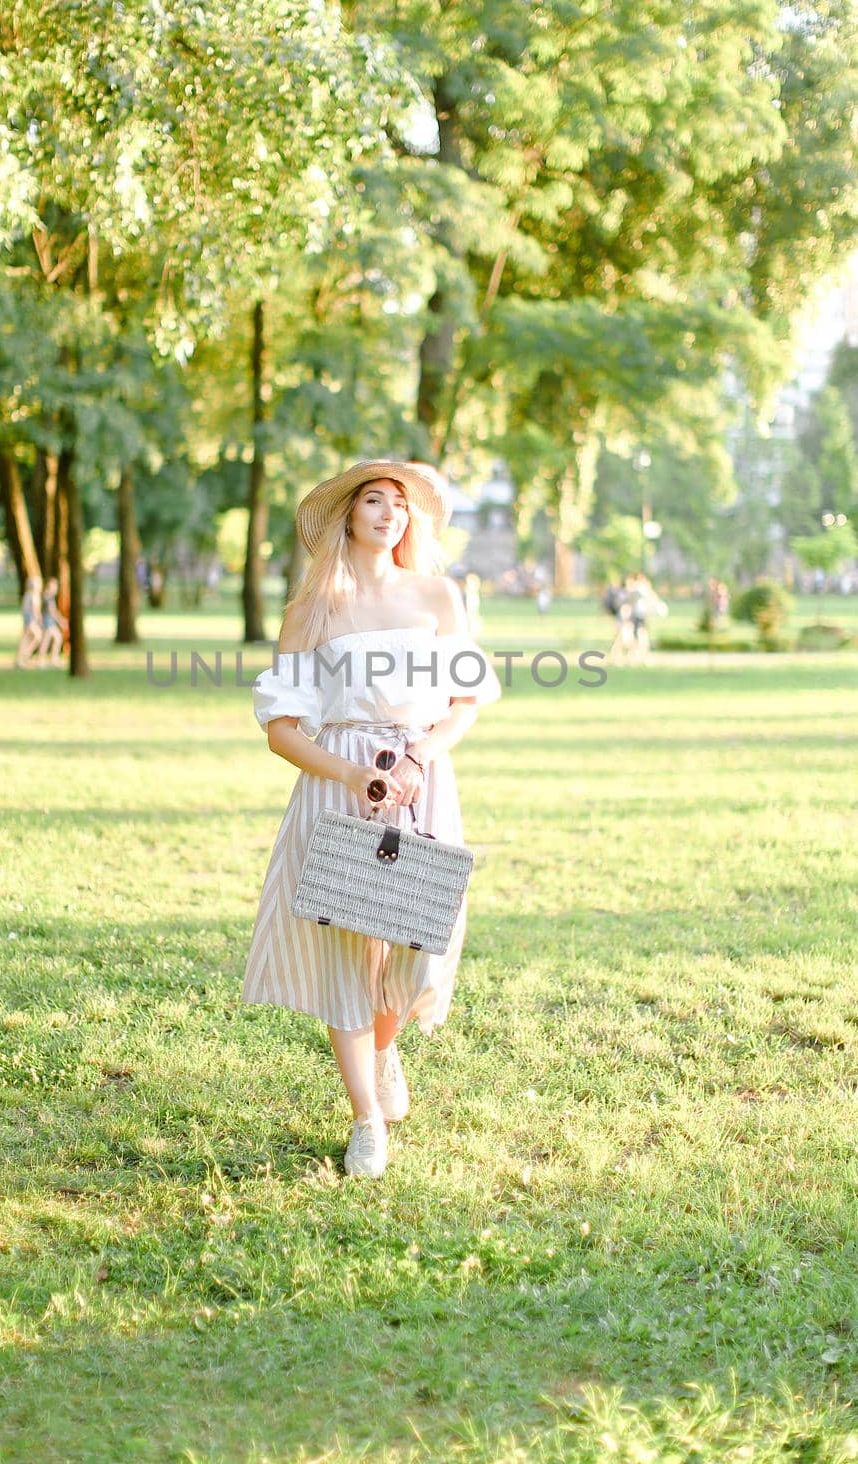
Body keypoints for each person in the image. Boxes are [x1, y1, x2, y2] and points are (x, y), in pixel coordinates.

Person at [244, 459, 503, 1179]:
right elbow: (282, 729)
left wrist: (417, 756)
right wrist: (353, 772)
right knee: (345, 955)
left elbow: (462, 704)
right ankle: (364, 1119)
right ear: (348, 515)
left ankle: (385, 1047)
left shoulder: (436, 597)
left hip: (420, 779)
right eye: (373, 499)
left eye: (400, 503)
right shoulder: (312, 609)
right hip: (339, 783)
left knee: (422, 940)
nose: (389, 512)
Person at [36, 577, 64, 666]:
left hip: (49, 621)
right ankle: (42, 661)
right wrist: (61, 621)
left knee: (56, 639)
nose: (56, 589)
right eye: (54, 586)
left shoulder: (48, 596)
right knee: (47, 640)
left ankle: (53, 659)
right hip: (48, 621)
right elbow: (52, 611)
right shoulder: (48, 597)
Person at [15, 576, 43, 667]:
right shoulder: (33, 596)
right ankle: (25, 655)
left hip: (27, 620)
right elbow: (36, 610)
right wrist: (39, 620)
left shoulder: (27, 595)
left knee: (26, 639)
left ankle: (21, 659)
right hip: (31, 620)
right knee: (37, 637)